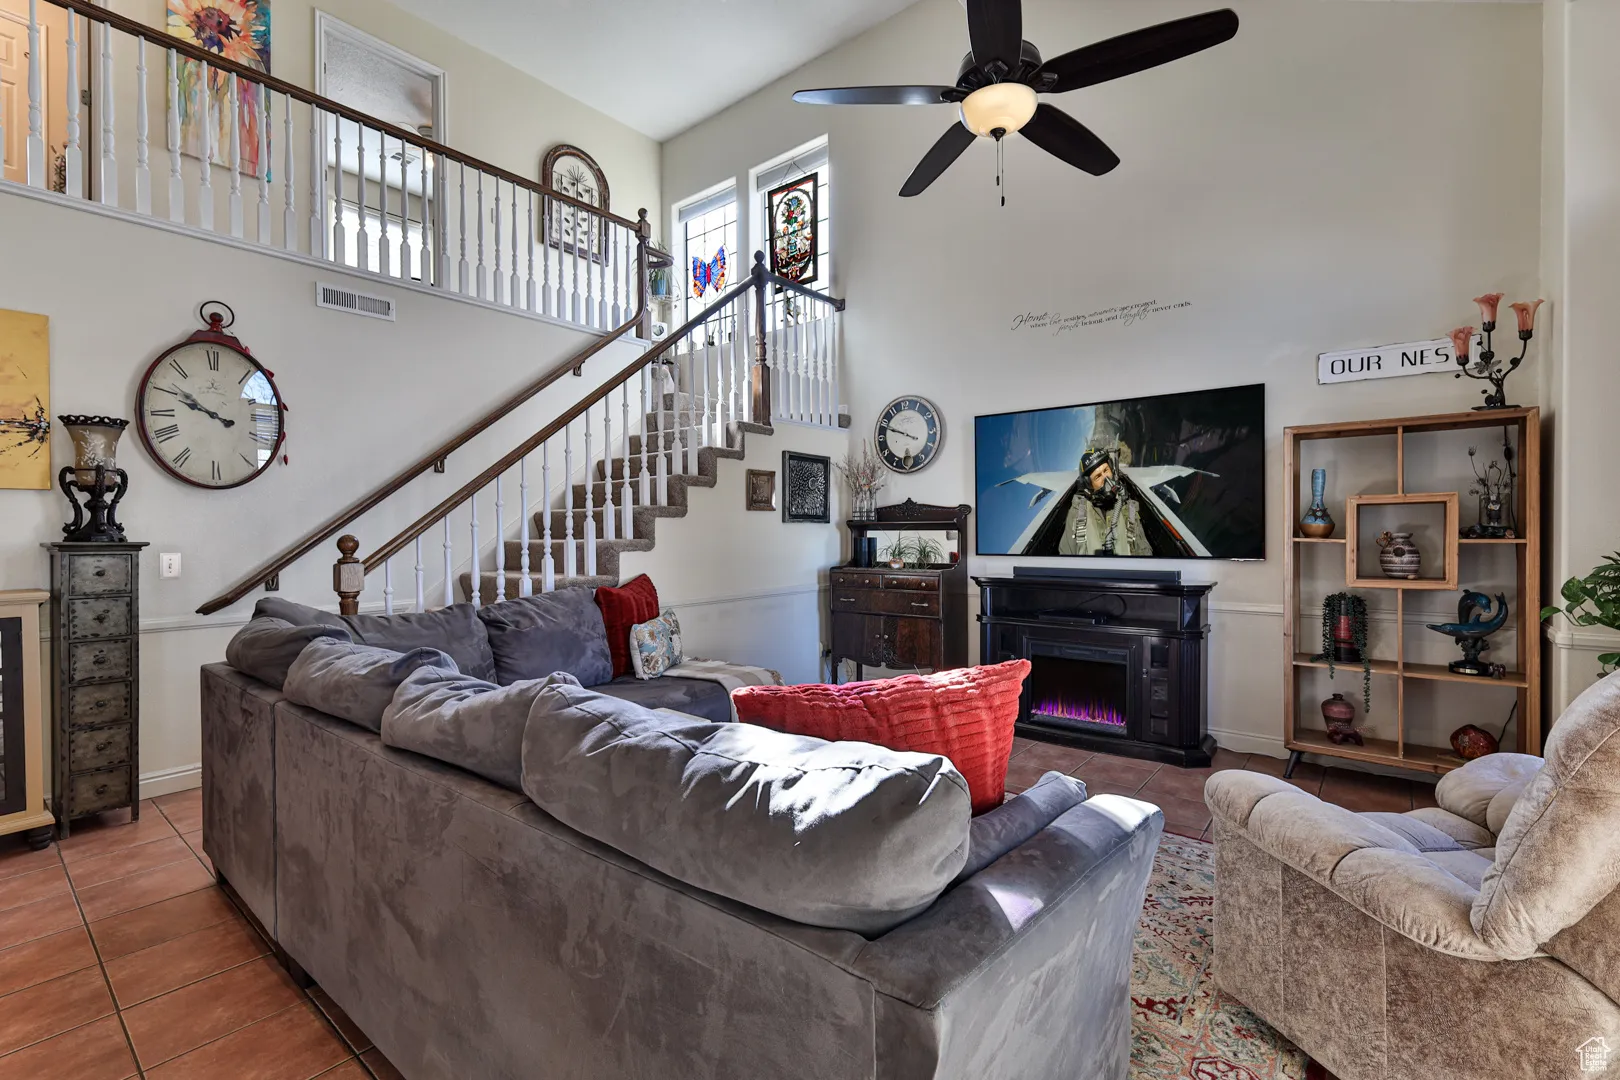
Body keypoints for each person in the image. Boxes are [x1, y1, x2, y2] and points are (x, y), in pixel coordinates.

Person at [1057, 448, 1153, 556]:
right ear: (1089, 485)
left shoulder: (1127, 508)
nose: (1106, 478)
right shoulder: (1078, 513)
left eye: (1106, 470)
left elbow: (1144, 553)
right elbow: (1065, 558)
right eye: (1097, 477)